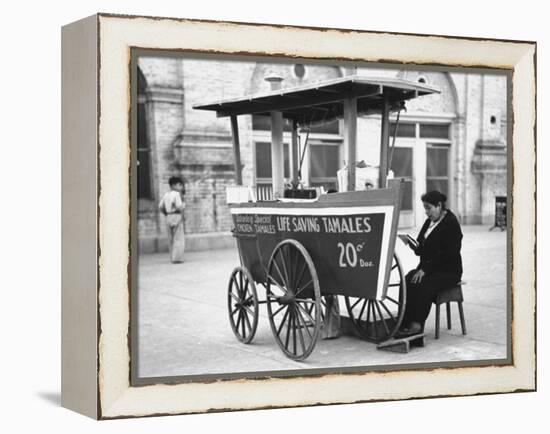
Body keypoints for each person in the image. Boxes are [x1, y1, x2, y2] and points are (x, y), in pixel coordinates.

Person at [396, 190, 463, 337]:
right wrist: (414, 245)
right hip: (430, 268)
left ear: (439, 206)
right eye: (425, 208)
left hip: (448, 270)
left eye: (429, 208)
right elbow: (421, 248)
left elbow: (448, 254)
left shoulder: (451, 223)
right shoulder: (430, 222)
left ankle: (416, 325)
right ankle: (403, 320)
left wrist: (425, 269)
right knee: (407, 280)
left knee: (423, 284)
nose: (427, 212)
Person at [159, 176, 186, 263]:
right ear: (174, 185)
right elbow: (178, 206)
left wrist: (166, 213)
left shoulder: (166, 195)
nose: (181, 187)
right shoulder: (177, 194)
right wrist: (183, 206)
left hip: (168, 216)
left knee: (170, 238)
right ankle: (177, 258)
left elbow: (160, 206)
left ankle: (172, 257)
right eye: (180, 185)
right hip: (176, 215)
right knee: (178, 237)